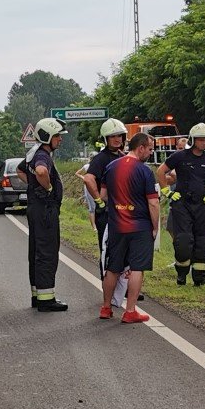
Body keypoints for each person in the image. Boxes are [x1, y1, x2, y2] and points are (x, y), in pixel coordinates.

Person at [100, 133, 161, 323]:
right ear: (140, 148)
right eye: (150, 149)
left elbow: (103, 196)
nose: (151, 153)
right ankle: (130, 311)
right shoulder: (144, 171)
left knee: (112, 268)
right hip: (139, 226)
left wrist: (119, 205)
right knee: (137, 268)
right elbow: (153, 203)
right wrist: (155, 227)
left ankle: (106, 308)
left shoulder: (111, 166)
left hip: (117, 225)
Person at [158, 122, 205, 286]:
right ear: (193, 140)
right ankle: (181, 274)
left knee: (202, 241)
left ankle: (200, 278)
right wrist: (167, 192)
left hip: (202, 204)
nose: (204, 143)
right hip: (182, 204)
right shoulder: (180, 156)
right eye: (200, 140)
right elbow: (161, 171)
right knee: (183, 240)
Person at [80, 119, 134, 307]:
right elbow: (88, 179)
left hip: (126, 212)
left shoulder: (124, 156)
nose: (117, 139)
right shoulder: (101, 159)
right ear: (106, 139)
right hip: (108, 213)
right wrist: (98, 201)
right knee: (109, 253)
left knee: (128, 251)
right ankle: (108, 293)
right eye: (113, 137)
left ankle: (126, 288)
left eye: (120, 136)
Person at [21, 119, 69, 312]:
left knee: (36, 252)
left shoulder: (33, 153)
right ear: (47, 136)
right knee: (47, 253)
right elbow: (41, 171)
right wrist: (48, 188)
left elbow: (20, 171)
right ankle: (46, 299)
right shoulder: (43, 156)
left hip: (36, 208)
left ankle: (37, 294)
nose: (60, 140)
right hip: (45, 211)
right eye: (57, 136)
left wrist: (33, 185)